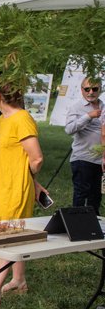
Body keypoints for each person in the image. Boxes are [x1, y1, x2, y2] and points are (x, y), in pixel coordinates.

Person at [0, 76, 45, 306]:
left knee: (7, 239)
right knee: (13, 236)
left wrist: (28, 180)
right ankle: (18, 279)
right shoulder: (3, 119)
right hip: (1, 187)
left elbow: (37, 158)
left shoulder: (22, 119)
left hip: (15, 189)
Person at [65, 77, 103, 214]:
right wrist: (88, 116)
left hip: (100, 160)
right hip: (83, 158)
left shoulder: (104, 107)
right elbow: (69, 129)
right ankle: (77, 224)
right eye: (87, 89)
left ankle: (94, 227)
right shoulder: (76, 107)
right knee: (81, 194)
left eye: (94, 89)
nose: (91, 92)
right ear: (82, 90)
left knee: (96, 196)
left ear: (100, 89)